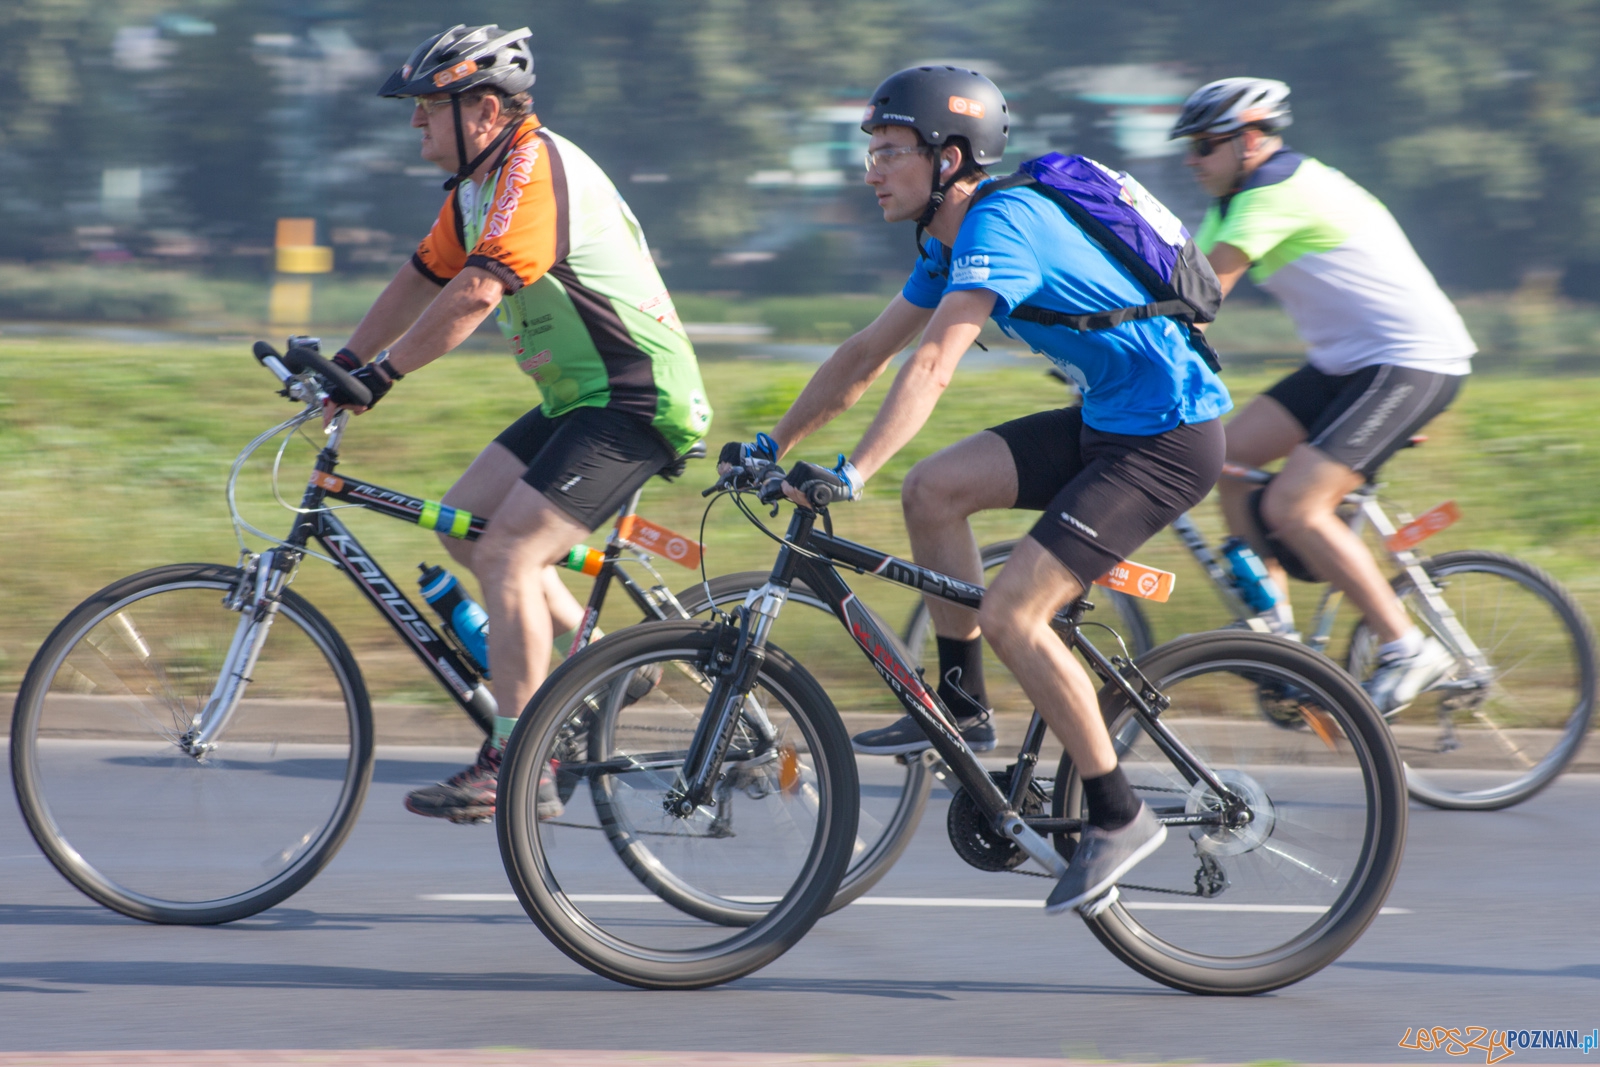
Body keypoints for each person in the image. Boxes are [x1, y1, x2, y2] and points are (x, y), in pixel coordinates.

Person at [719, 66, 1232, 912]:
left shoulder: (1002, 223)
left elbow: (934, 362)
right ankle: (962, 706)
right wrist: (771, 445)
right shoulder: (948, 239)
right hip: (1107, 420)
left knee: (1014, 613)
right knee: (933, 490)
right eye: (872, 153)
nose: (873, 170)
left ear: (948, 157)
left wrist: (852, 471)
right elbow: (865, 353)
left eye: (891, 151)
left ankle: (1118, 812)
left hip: (1168, 439)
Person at [330, 24, 712, 823]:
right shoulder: (477, 189)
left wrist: (383, 376)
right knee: (467, 521)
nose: (415, 120)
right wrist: (344, 363)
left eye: (429, 105)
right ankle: (605, 667)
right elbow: (420, 279)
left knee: (508, 550)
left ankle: (521, 761)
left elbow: (474, 294)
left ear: (485, 110)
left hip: (635, 396)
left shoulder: (534, 169)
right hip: (581, 398)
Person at [1174, 78, 1474, 713]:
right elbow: (1176, 287)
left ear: (1248, 141)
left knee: (1296, 504)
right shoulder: (1234, 199)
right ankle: (1277, 635)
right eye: (1190, 147)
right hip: (1348, 366)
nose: (1192, 160)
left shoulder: (1274, 191)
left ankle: (1405, 646)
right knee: (1225, 458)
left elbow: (1199, 302)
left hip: (1411, 360)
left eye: (1203, 146)